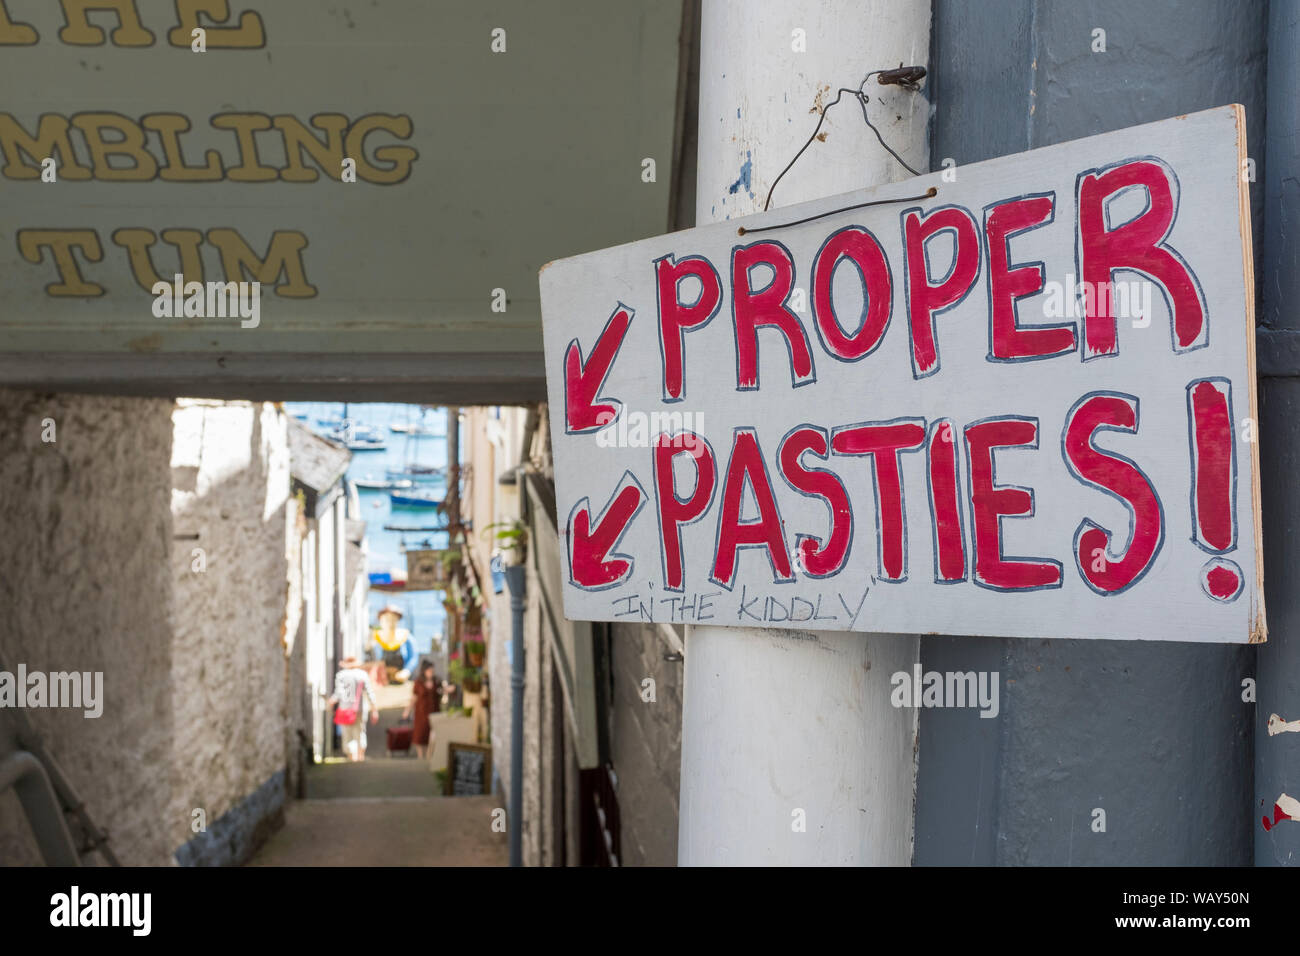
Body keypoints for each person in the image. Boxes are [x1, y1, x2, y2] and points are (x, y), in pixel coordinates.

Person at [326, 655, 378, 762]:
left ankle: (352, 758)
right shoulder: (362, 675)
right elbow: (369, 693)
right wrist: (374, 710)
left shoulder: (341, 675)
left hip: (345, 709)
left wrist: (331, 702)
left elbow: (338, 693)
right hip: (359, 709)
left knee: (347, 735)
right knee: (360, 732)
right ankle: (360, 758)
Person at [401, 659, 444, 760]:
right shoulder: (418, 682)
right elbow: (414, 698)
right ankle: (421, 757)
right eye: (429, 671)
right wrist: (407, 711)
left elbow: (441, 692)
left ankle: (430, 756)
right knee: (420, 734)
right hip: (421, 712)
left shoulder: (436, 681)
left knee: (432, 734)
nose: (431, 673)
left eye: (432, 671)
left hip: (434, 712)